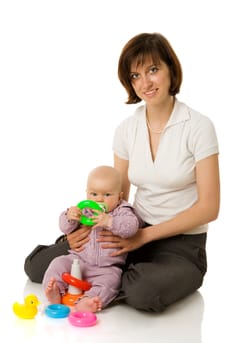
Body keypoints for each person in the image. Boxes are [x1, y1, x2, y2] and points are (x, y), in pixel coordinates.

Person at [24, 32, 220, 313]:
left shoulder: (199, 127)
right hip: (131, 232)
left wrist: (145, 237)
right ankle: (102, 280)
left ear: (170, 70)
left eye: (153, 70)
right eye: (135, 76)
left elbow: (209, 208)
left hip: (180, 245)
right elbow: (118, 196)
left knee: (142, 291)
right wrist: (84, 232)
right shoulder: (127, 129)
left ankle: (102, 285)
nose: (145, 83)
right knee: (37, 266)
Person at [42, 165, 143, 312]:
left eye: (107, 195)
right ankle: (55, 291)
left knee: (112, 281)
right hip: (78, 261)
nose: (100, 199)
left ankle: (89, 301)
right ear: (87, 194)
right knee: (58, 263)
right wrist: (69, 216)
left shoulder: (123, 211)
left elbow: (131, 227)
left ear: (119, 197)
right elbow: (65, 228)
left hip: (106, 268)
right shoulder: (84, 210)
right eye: (94, 194)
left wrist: (109, 221)